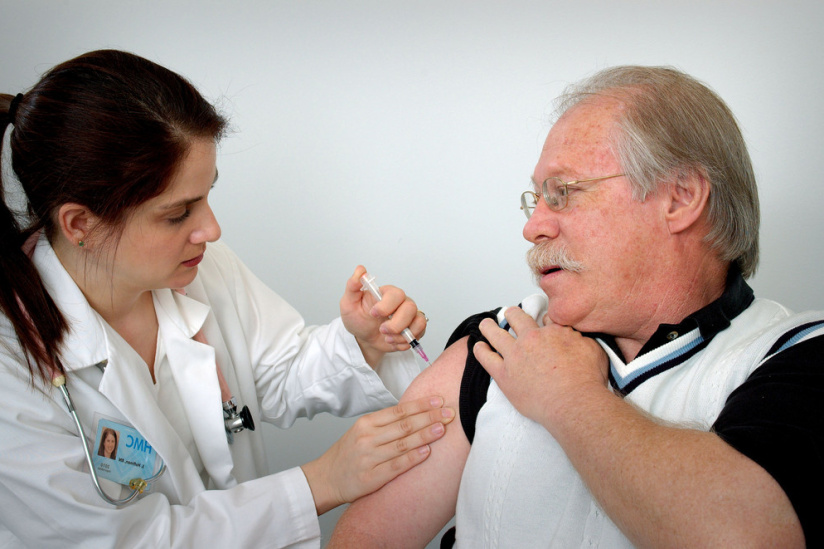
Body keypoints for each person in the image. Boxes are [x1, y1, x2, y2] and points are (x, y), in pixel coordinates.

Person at [329, 66, 824, 548]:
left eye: (563, 192)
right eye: (537, 199)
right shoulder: (498, 342)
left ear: (680, 198)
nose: (533, 227)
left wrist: (570, 399)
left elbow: (747, 536)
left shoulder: (798, 355)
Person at [0, 49, 455, 548]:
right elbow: (129, 541)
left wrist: (362, 342)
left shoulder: (196, 268)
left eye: (207, 195)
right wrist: (323, 481)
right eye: (178, 214)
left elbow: (281, 371)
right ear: (80, 224)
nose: (211, 229)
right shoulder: (11, 366)